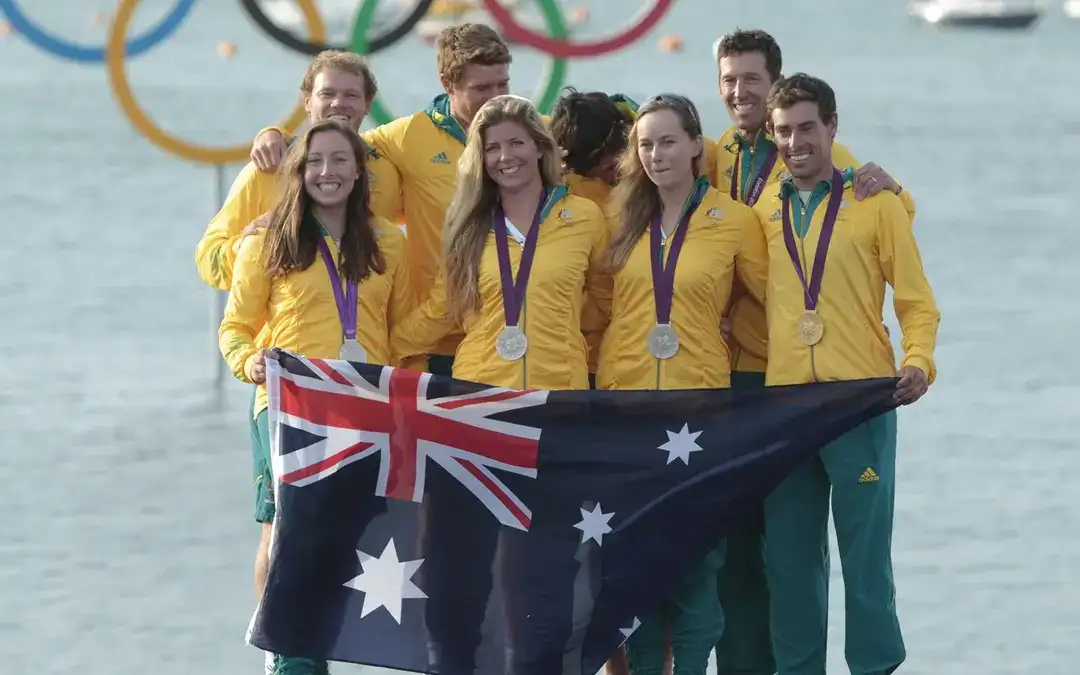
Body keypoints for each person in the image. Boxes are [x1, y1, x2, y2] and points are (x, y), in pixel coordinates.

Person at [707, 28, 918, 675]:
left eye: (751, 78)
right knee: (765, 558)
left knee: (858, 560)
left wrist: (896, 191)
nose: (739, 90)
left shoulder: (839, 163)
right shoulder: (715, 157)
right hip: (755, 385)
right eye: (729, 79)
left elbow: (886, 224)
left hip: (840, 387)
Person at [387, 94, 609, 675]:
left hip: (554, 409)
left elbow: (610, 304)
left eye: (516, 143)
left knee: (543, 566)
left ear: (541, 147)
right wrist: (360, 355)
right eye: (492, 148)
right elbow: (440, 311)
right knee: (465, 564)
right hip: (479, 408)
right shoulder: (467, 227)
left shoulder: (583, 217)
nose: (506, 157)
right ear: (479, 160)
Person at [753, 73, 939, 675]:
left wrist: (918, 361)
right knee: (790, 564)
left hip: (860, 400)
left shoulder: (875, 203)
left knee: (864, 563)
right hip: (786, 408)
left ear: (833, 127)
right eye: (784, 131)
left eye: (808, 127)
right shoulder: (760, 213)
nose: (795, 141)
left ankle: (875, 668)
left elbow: (915, 302)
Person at [218, 119, 414, 675]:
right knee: (290, 541)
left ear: (358, 171)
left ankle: (316, 658)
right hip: (287, 409)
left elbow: (398, 331)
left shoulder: (388, 242)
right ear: (299, 172)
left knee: (339, 546)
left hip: (361, 410)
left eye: (339, 161)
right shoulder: (266, 242)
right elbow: (234, 328)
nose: (327, 173)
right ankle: (290, 665)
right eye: (314, 162)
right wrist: (248, 360)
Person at [595, 93, 767, 675]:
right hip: (628, 411)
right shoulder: (617, 219)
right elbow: (597, 308)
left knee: (698, 563)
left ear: (697, 145)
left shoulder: (734, 221)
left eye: (668, 141)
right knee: (635, 563)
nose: (656, 154)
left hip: (698, 411)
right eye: (644, 144)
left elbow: (776, 300)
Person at [250, 23, 515, 379]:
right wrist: (276, 135)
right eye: (482, 87)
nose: (496, 97)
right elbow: (337, 140)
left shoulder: (532, 136)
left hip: (507, 327)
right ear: (447, 84)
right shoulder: (404, 138)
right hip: (433, 337)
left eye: (503, 85)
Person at [548, 87, 637, 392]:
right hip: (584, 354)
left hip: (642, 349)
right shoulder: (561, 182)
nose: (603, 172)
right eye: (590, 171)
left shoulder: (666, 154)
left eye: (607, 161)